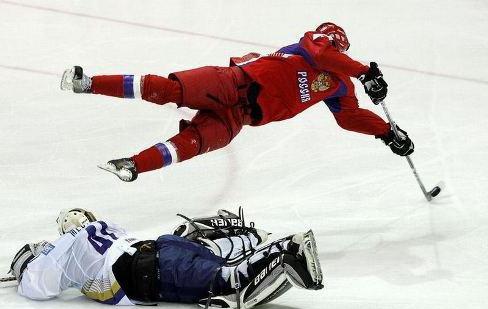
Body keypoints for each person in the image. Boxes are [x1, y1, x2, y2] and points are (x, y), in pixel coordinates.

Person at [60, 22, 414, 182]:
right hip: (230, 84)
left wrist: (385, 131)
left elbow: (349, 118)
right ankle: (87, 83)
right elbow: (322, 53)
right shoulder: (312, 44)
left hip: (241, 117)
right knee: (168, 90)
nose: (337, 49)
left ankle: (133, 165)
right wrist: (365, 71)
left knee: (193, 143)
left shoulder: (340, 88)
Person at [9, 208, 323, 309]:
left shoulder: (66, 245)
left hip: (150, 270)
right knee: (212, 257)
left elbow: (37, 286)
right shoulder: (105, 225)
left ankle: (289, 248)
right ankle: (249, 238)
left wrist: (26, 259)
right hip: (163, 247)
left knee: (226, 281)